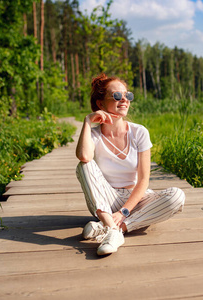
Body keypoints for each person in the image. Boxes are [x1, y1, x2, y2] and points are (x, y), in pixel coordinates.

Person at [75, 73, 185, 256]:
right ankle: (111, 226)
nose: (124, 100)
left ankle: (112, 229)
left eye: (127, 95)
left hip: (135, 200)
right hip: (105, 199)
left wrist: (124, 211)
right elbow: (84, 156)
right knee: (84, 166)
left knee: (177, 196)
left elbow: (144, 180)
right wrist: (87, 121)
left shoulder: (139, 132)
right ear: (101, 104)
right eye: (117, 96)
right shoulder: (95, 135)